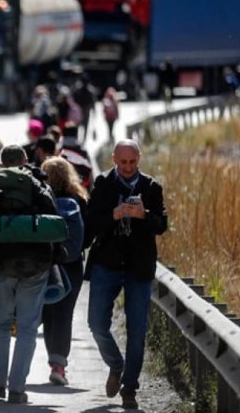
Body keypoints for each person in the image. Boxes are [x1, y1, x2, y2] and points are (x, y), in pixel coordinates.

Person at [86, 139, 167, 409]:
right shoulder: (103, 184)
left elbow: (162, 224)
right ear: (114, 160)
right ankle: (115, 363)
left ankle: (129, 388)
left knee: (137, 332)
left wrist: (144, 215)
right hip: (107, 264)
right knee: (96, 323)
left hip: (138, 267)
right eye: (123, 162)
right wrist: (115, 214)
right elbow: (92, 222)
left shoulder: (151, 187)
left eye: (133, 162)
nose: (128, 167)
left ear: (139, 158)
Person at [0, 145, 58, 404]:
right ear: (24, 161)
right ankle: (17, 388)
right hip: (34, 265)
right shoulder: (37, 185)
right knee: (27, 327)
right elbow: (53, 217)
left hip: (0, 264)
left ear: (1, 163)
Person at [39, 156, 89, 386]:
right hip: (71, 264)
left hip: (44, 263)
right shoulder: (79, 199)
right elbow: (88, 235)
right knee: (64, 314)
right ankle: (58, 365)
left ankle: (53, 361)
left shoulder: (38, 200)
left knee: (48, 312)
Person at [59, 124, 94, 191]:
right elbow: (90, 174)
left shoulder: (59, 151)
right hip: (81, 189)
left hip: (62, 189)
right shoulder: (83, 152)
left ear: (63, 135)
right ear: (76, 135)